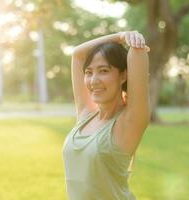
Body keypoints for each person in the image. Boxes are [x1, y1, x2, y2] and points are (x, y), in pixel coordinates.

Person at [62, 31, 151, 200]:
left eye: (103, 71)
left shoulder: (128, 122)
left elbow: (138, 53)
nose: (93, 80)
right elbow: (77, 54)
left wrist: (132, 40)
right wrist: (120, 36)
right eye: (88, 72)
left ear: (124, 75)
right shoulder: (86, 115)